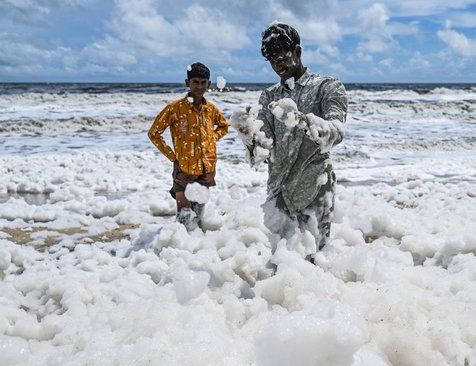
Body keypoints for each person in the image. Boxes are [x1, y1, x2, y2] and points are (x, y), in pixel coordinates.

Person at [232, 23, 348, 261]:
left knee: (317, 259)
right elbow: (265, 148)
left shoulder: (327, 87)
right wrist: (248, 134)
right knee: (281, 261)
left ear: (297, 52)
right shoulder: (269, 96)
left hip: (314, 187)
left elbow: (337, 131)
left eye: (283, 57)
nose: (278, 66)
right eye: (272, 61)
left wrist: (306, 122)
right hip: (278, 193)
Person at [148, 62, 229, 230]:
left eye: (203, 82)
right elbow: (154, 133)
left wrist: (212, 138)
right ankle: (177, 251)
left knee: (198, 218)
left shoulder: (211, 109)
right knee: (184, 218)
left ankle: (196, 252)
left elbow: (224, 126)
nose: (199, 86)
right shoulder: (174, 109)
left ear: (209, 84)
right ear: (187, 83)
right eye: (195, 82)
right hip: (184, 170)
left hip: (206, 169)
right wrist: (173, 157)